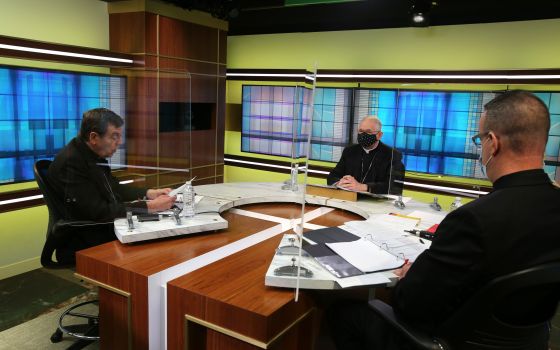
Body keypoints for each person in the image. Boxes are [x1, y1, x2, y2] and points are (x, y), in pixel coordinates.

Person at [327, 91, 560, 349]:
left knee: (344, 314)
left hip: (448, 339)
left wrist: (410, 276)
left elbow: (411, 304)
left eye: (478, 139)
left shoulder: (472, 219)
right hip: (531, 340)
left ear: (493, 143)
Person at [47, 108, 176, 262]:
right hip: (86, 239)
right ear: (94, 137)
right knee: (159, 248)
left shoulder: (93, 155)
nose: (119, 142)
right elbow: (99, 212)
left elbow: (114, 188)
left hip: (104, 229)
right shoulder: (72, 163)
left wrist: (149, 193)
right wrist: (150, 207)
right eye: (114, 136)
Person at [327, 116, 405, 195]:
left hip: (376, 203)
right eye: (361, 131)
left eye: (368, 132)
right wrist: (339, 183)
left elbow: (395, 187)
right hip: (349, 198)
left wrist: (364, 187)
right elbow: (332, 176)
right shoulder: (349, 151)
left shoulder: (392, 155)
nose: (363, 135)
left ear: (379, 135)